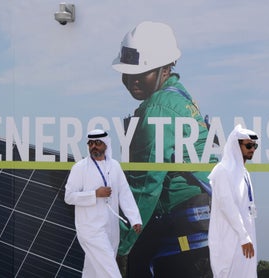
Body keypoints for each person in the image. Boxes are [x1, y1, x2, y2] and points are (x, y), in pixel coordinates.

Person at [112, 21, 217, 277]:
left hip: (182, 241)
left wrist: (116, 244)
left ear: (166, 68)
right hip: (199, 237)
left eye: (141, 73)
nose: (131, 80)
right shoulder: (180, 98)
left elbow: (145, 186)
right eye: (127, 73)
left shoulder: (158, 109)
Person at [64, 129, 142, 278]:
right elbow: (69, 197)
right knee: (109, 270)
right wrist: (94, 194)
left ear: (106, 144)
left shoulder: (115, 166)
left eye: (98, 143)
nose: (94, 146)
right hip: (90, 228)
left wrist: (135, 219)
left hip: (111, 227)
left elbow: (124, 194)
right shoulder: (80, 168)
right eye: (91, 143)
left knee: (93, 270)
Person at [208, 124, 259, 278]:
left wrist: (246, 237)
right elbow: (227, 206)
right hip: (228, 241)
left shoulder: (244, 173)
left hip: (246, 239)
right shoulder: (222, 171)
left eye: (254, 146)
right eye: (249, 145)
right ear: (236, 146)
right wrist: (243, 237)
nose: (252, 149)